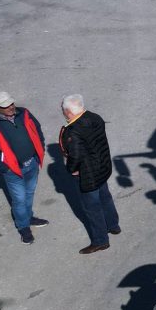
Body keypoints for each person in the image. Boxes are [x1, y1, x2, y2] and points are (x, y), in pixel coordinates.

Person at [0, 92, 47, 245]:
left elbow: (37, 129)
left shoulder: (24, 113)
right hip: (14, 171)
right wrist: (5, 168)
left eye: (11, 103)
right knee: (19, 199)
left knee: (29, 193)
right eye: (5, 106)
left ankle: (28, 217)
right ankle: (23, 227)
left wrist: (40, 149)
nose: (10, 107)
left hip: (32, 163)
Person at [58, 95, 120, 255]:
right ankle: (113, 225)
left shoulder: (72, 131)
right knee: (105, 197)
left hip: (87, 174)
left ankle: (100, 241)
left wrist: (71, 169)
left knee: (92, 208)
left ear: (68, 111)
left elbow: (75, 156)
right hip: (102, 167)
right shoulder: (95, 117)